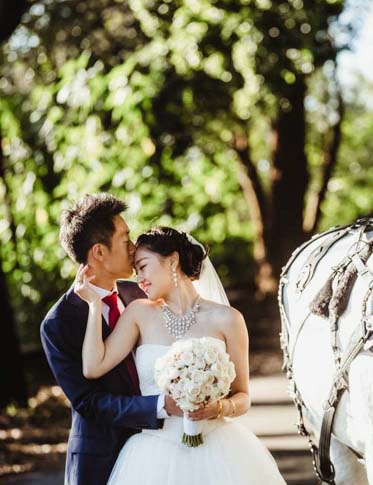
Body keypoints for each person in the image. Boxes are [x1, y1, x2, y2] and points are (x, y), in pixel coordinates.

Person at [75, 225, 286, 484]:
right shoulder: (139, 313)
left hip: (220, 450)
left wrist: (219, 407)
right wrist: (94, 306)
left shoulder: (228, 319)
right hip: (153, 455)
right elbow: (93, 366)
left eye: (143, 266)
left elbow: (243, 396)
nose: (138, 277)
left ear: (173, 260)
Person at [40, 193, 179, 485]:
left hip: (164, 450)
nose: (134, 247)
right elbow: (88, 402)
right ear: (99, 252)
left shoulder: (141, 293)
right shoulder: (57, 324)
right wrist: (158, 406)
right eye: (125, 238)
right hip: (102, 460)